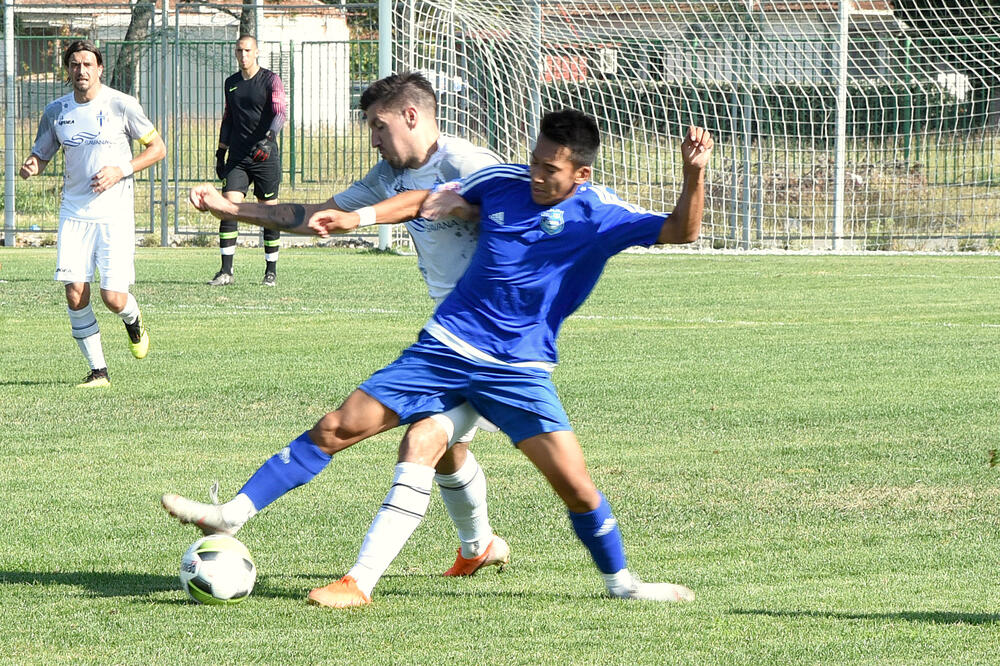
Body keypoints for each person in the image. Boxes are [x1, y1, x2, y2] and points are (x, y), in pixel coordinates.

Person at [165, 108, 713, 608]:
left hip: (518, 371)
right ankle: (245, 522)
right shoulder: (502, 183)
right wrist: (364, 218)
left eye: (550, 169)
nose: (537, 175)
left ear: (580, 175)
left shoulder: (600, 215)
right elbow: (426, 198)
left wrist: (693, 175)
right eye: (534, 161)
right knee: (338, 426)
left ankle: (622, 585)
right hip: (445, 350)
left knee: (574, 485)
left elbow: (680, 230)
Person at [165, 72, 511, 589]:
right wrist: (234, 208)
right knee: (357, 429)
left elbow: (534, 213)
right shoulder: (388, 174)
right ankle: (478, 545)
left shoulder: (471, 165)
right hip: (450, 339)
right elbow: (319, 215)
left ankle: (359, 582)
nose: (371, 137)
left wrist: (473, 206)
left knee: (422, 438)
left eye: (378, 125)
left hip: (500, 343)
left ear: (411, 117)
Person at [19, 40, 166, 387]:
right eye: (74, 64)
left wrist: (121, 170)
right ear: (67, 70)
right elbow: (42, 152)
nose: (81, 70)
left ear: (100, 69)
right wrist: (33, 165)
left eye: (87, 64)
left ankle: (133, 319)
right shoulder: (56, 111)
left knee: (112, 297)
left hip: (114, 214)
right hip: (74, 212)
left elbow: (157, 149)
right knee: (74, 291)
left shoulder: (121, 104)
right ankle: (98, 370)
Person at [209, 35, 287, 287]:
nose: (243, 55)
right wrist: (221, 153)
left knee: (268, 214)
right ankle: (226, 272)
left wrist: (269, 139)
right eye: (239, 51)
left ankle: (270, 272)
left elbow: (280, 112)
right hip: (238, 158)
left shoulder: (271, 80)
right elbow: (228, 118)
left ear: (257, 52)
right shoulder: (230, 83)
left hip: (264, 156)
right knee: (228, 209)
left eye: (248, 50)